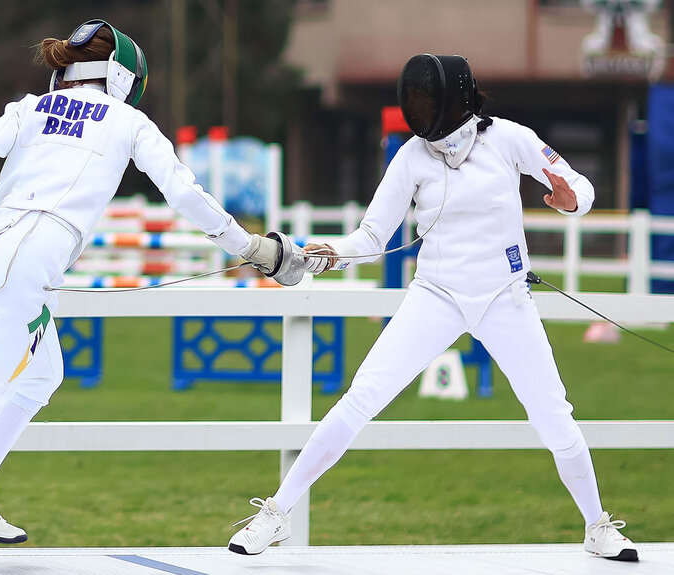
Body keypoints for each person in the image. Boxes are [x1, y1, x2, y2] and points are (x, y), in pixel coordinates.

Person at [0, 19, 280, 569]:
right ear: (121, 76)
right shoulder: (128, 121)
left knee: (43, 375)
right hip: (32, 258)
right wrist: (247, 244)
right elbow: (184, 193)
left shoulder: (29, 108)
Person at [228, 54, 639, 562]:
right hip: (436, 296)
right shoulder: (412, 157)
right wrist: (328, 253)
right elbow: (373, 236)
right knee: (361, 398)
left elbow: (583, 188)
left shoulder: (510, 138)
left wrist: (567, 198)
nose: (421, 111)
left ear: (456, 98)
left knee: (554, 415)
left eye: (428, 100)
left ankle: (597, 526)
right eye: (414, 101)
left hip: (503, 298)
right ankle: (276, 514)